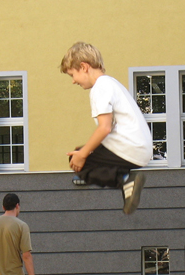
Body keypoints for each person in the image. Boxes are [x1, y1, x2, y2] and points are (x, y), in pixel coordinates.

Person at [60, 41, 153, 214]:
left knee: (79, 159)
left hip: (130, 147)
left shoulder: (100, 88)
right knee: (82, 154)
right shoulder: (112, 83)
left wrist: (83, 154)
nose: (73, 81)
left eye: (73, 75)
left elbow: (104, 128)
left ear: (84, 67)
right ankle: (125, 179)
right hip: (140, 148)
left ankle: (125, 179)